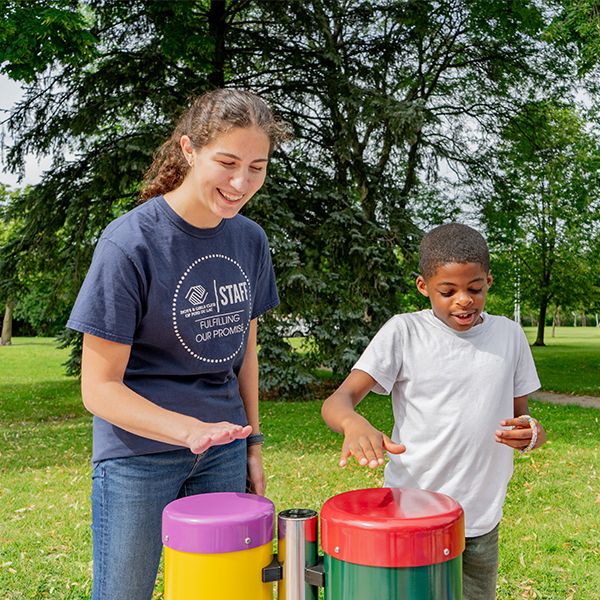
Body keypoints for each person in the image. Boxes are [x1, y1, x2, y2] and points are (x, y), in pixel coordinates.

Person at [67, 88, 290, 600]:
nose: (241, 183)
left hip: (223, 452)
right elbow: (99, 389)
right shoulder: (129, 243)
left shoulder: (249, 239)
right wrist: (186, 429)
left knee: (226, 592)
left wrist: (250, 442)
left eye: (256, 167)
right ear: (189, 150)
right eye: (227, 162)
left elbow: (244, 350)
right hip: (136, 457)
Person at [321, 222, 547, 600]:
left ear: (488, 281)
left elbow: (521, 421)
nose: (464, 300)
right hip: (413, 517)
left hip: (479, 521)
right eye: (448, 291)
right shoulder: (404, 332)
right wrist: (352, 423)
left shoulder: (509, 336)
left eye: (474, 289)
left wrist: (531, 434)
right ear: (423, 287)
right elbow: (336, 402)